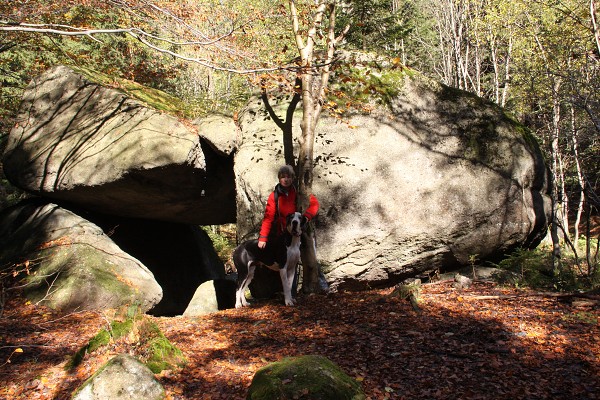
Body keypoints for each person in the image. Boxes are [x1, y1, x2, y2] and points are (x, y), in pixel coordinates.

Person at [257, 165, 319, 249]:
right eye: (283, 177)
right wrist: (263, 237)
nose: (286, 180)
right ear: (279, 178)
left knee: (306, 258)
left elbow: (315, 204)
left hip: (300, 232)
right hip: (283, 235)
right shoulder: (274, 196)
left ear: (293, 178)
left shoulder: (299, 192)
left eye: (289, 177)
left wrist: (306, 217)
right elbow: (268, 217)